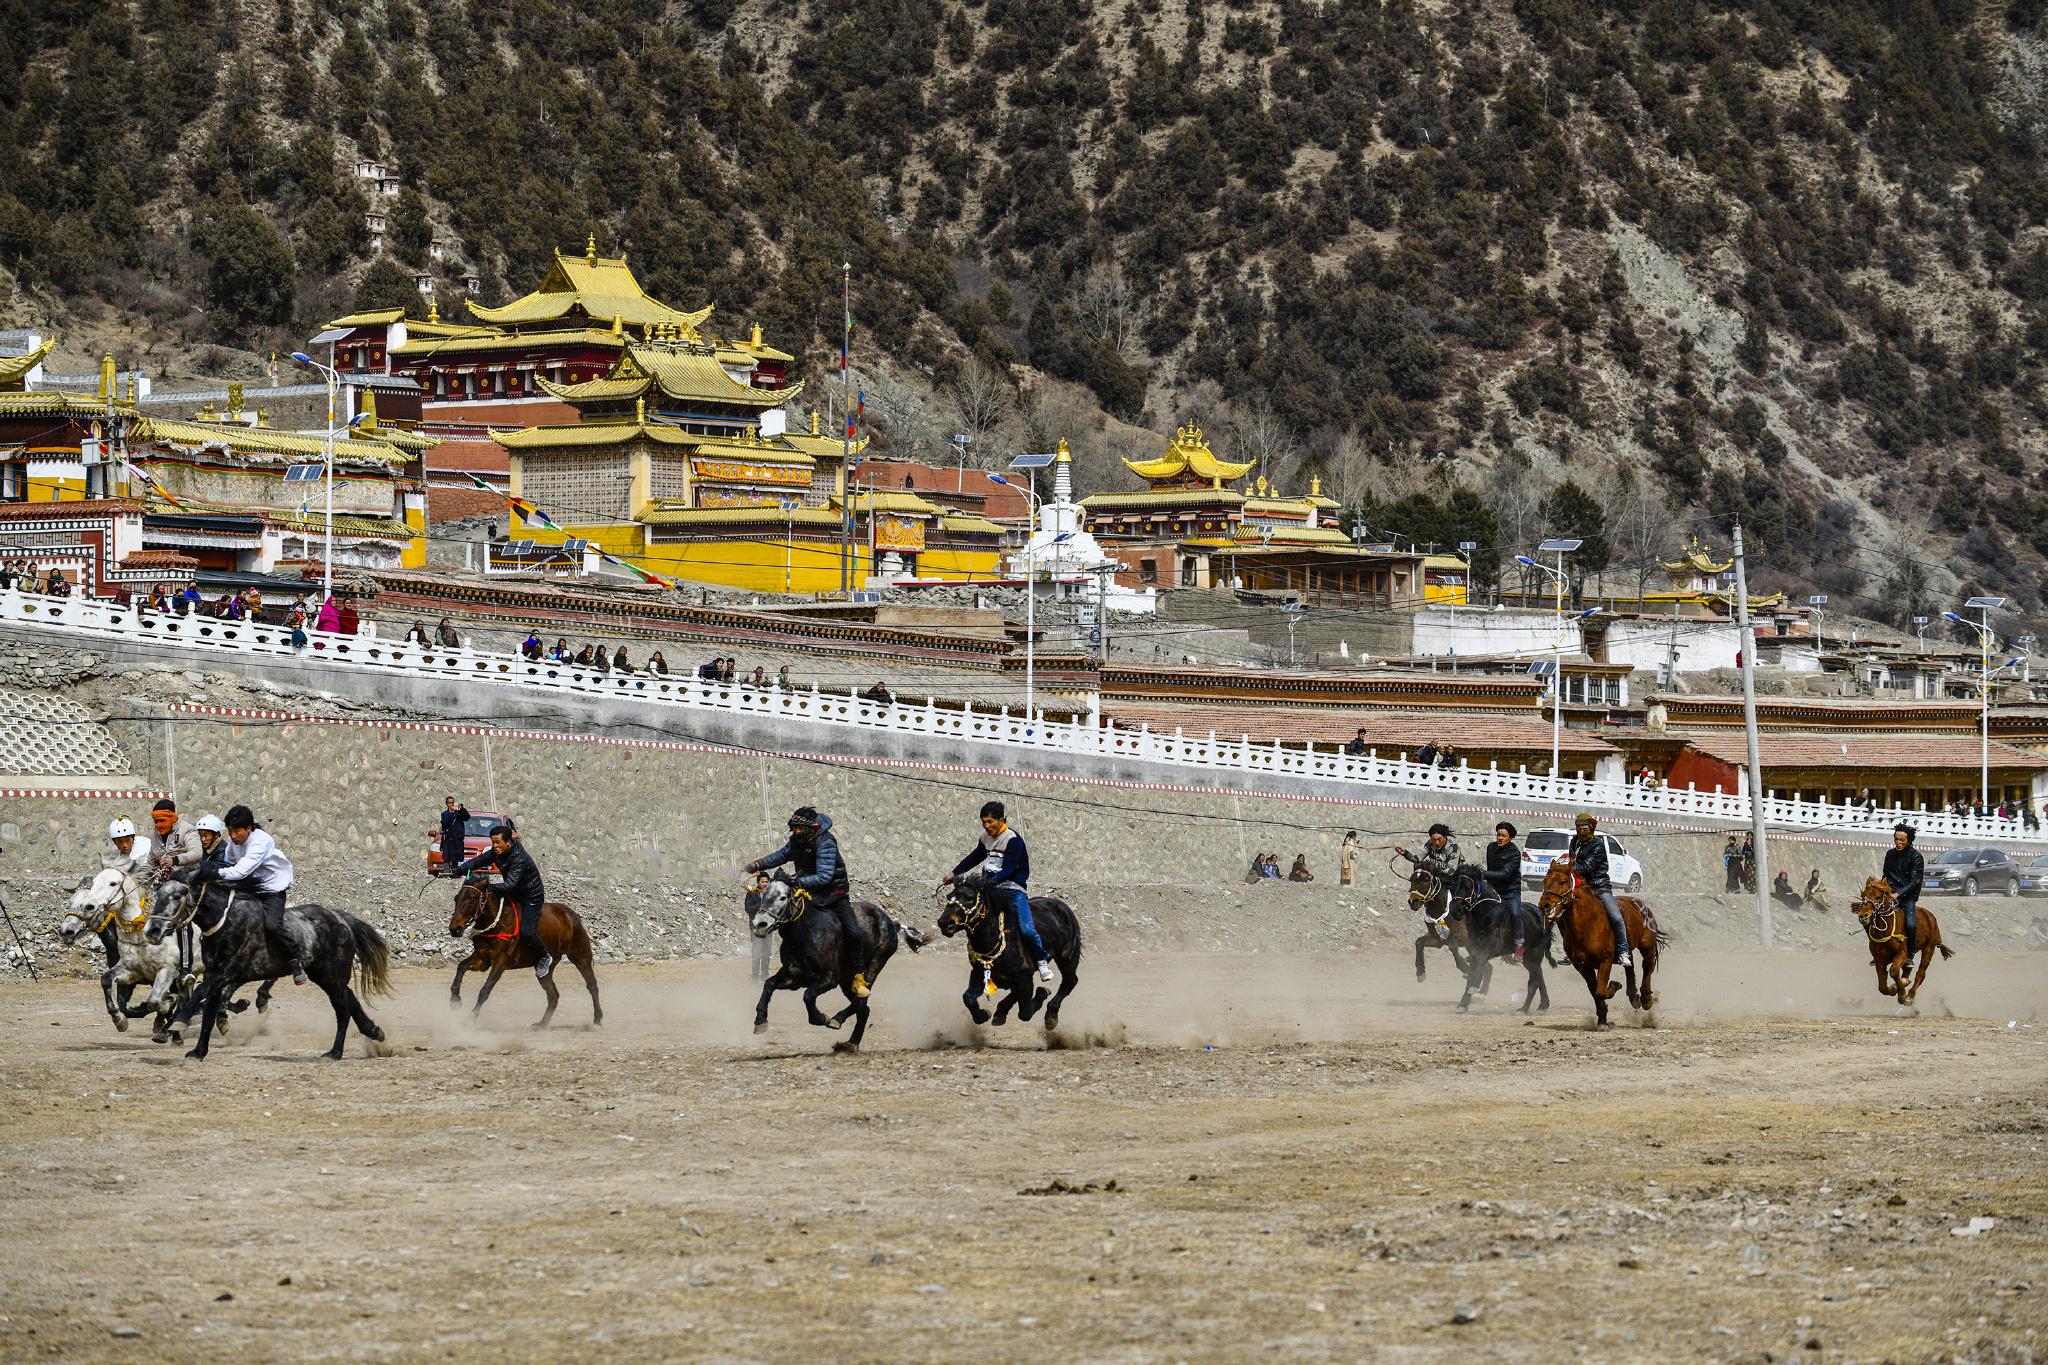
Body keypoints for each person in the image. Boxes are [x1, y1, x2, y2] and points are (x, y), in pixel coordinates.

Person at [745, 807, 874, 996]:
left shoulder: (826, 842)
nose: (796, 832)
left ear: (811, 827)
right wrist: (758, 864)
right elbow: (781, 855)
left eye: (799, 828)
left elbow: (824, 876)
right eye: (794, 828)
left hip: (833, 893)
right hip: (808, 892)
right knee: (789, 922)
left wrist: (796, 881)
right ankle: (794, 963)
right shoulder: (796, 842)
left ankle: (858, 976)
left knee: (853, 932)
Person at [942, 800, 1053, 982]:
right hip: (990, 887)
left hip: (1012, 889)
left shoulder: (1013, 840)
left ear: (1001, 820)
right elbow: (975, 856)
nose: (986, 826)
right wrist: (954, 873)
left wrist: (987, 883)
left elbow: (1009, 870)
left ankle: (1041, 961)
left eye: (990, 822)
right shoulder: (985, 837)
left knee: (1026, 929)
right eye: (983, 822)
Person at [216, 805, 311, 987]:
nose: (233, 836)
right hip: (250, 886)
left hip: (271, 889)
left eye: (237, 831)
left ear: (249, 828)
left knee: (272, 925)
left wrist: (214, 872)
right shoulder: (233, 841)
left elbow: (239, 872)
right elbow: (228, 862)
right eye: (230, 831)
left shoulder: (261, 842)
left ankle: (295, 960)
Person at [453, 825, 553, 979]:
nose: (495, 846)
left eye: (498, 843)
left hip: (530, 896)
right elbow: (479, 860)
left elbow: (510, 884)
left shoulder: (518, 857)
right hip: (514, 892)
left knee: (527, 931)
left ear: (508, 842)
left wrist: (486, 888)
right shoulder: (497, 851)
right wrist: (459, 869)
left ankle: (544, 957)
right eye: (493, 843)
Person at [1565, 812, 1630, 969]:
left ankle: (1623, 951)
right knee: (1561, 914)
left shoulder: (1598, 844)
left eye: (1585, 828)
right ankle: (1570, 952)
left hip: (1599, 887)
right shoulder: (1574, 841)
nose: (1581, 831)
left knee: (1616, 917)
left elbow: (1586, 867)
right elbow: (1572, 860)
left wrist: (1567, 868)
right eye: (1579, 828)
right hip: (1581, 888)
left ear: (1592, 827)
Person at [1883, 823, 1924, 966]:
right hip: (1889, 894)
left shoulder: (1916, 857)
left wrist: (1898, 894)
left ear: (1909, 840)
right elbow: (1886, 876)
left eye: (1902, 840)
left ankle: (1910, 955)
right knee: (1871, 916)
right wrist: (1882, 888)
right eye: (1896, 839)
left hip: (1907, 898)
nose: (1898, 843)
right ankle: (1878, 951)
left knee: (1911, 925)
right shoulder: (1889, 854)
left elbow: (1915, 882)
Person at [1485, 820, 1526, 962]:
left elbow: (1505, 874)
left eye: (1503, 835)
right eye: (1498, 835)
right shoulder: (1490, 847)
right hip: (1494, 890)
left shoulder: (1514, 853)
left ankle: (1519, 945)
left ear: (1510, 837)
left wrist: (1483, 874)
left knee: (1515, 913)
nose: (1500, 838)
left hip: (1511, 891)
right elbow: (1491, 868)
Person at [1394, 823, 1460, 881]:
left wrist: (1434, 870)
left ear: (1445, 838)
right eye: (1434, 840)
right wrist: (1405, 853)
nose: (1437, 843)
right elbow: (1417, 859)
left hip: (1451, 879)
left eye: (1439, 839)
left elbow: (1451, 871)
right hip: (1435, 877)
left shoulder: (1454, 848)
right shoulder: (1430, 844)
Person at [437, 796, 470, 878]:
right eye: (449, 803)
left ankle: (455, 874)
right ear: (446, 804)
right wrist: (451, 813)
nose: (451, 804)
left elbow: (467, 817)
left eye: (452, 803)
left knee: (456, 857)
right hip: (448, 839)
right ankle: (446, 873)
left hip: (457, 839)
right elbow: (446, 823)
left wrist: (461, 809)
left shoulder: (459, 813)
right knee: (446, 857)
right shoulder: (444, 814)